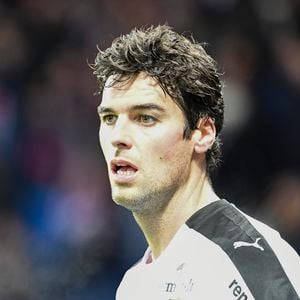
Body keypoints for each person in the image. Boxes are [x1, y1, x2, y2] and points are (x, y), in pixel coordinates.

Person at [92, 25, 300, 299]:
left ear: (202, 134)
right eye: (109, 118)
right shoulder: (134, 285)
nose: (118, 136)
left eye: (146, 118)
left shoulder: (241, 267)